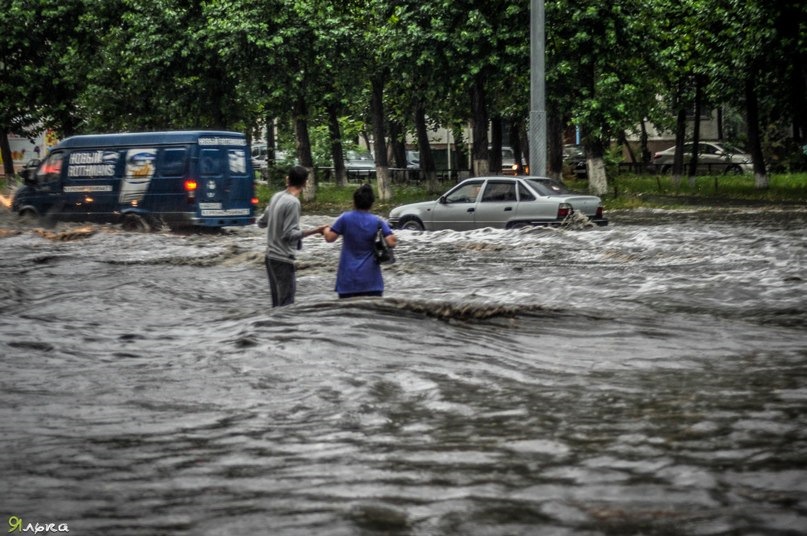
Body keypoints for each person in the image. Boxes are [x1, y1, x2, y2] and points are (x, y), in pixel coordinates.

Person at [257, 166, 325, 307]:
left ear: (288, 179)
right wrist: (317, 230)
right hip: (283, 259)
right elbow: (289, 235)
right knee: (287, 306)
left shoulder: (276, 197)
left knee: (277, 305)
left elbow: (261, 222)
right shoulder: (293, 203)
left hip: (270, 257)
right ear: (305, 183)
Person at [323, 183, 397, 299]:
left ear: (354, 201)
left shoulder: (344, 218)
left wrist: (325, 229)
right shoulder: (377, 221)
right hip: (372, 281)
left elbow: (329, 238)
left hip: (348, 281)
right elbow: (391, 242)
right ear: (371, 204)